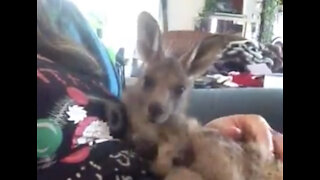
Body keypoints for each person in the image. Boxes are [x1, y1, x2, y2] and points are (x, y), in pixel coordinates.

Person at [37, 0, 282, 179]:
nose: (159, 100)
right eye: (151, 84)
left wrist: (203, 139)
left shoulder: (60, 24)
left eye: (175, 91)